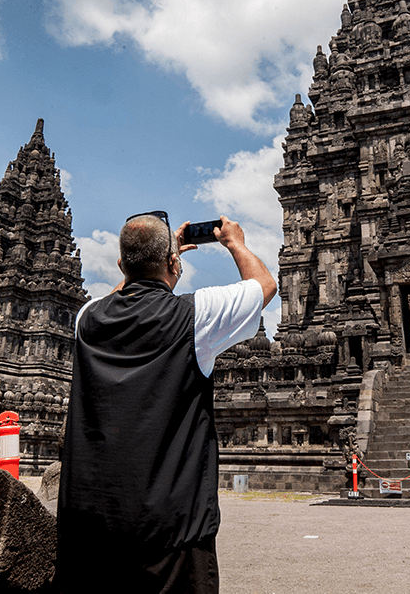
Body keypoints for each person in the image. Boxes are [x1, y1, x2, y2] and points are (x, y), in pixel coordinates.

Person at [57, 211, 276, 593]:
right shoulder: (194, 316)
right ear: (174, 262)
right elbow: (264, 285)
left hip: (90, 533)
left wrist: (150, 261)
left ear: (121, 265)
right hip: (170, 533)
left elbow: (118, 290)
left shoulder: (86, 319)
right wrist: (234, 242)